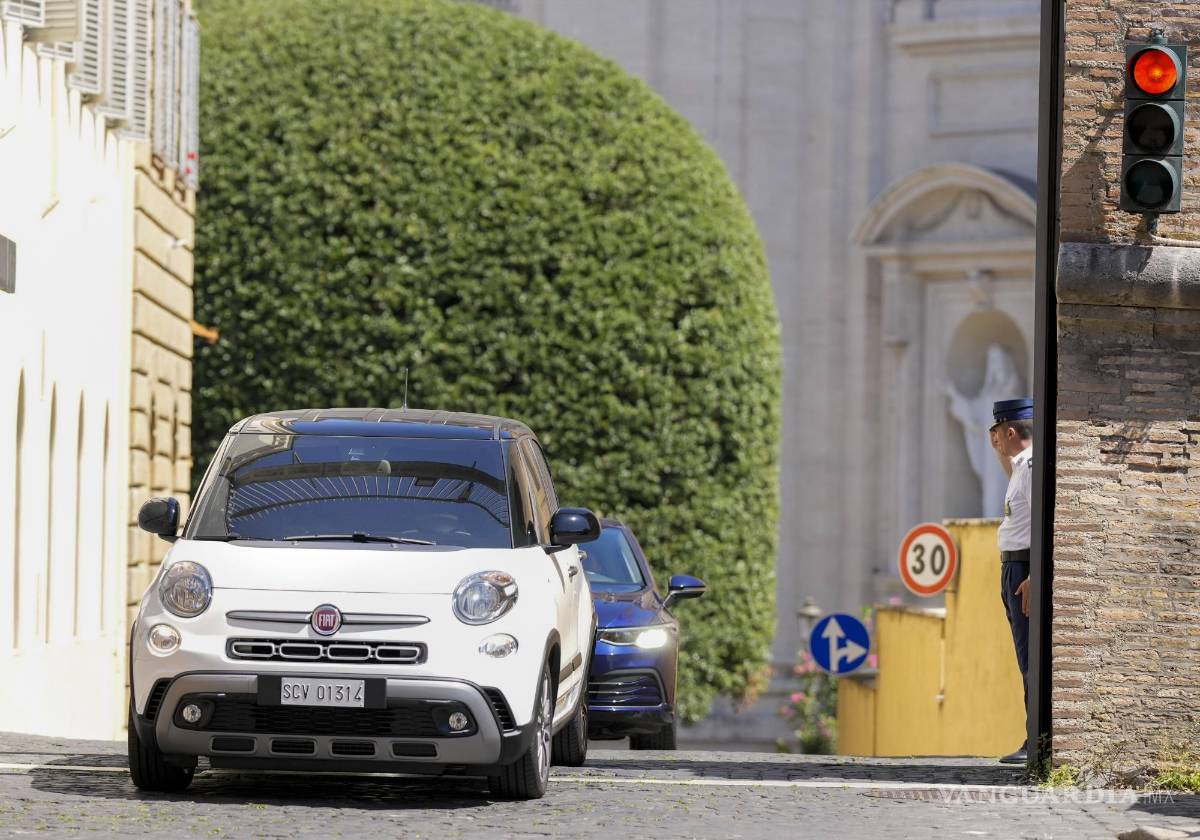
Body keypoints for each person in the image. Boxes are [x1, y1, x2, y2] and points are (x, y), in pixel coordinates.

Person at [990, 397, 1033, 765]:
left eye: (997, 434)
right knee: (1024, 656)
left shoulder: (1032, 468)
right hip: (1013, 569)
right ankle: (1034, 736)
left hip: (1024, 570)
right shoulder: (1021, 467)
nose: (995, 441)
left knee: (1029, 656)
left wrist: (1035, 574)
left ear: (1011, 430)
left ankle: (1036, 740)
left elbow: (1042, 521)